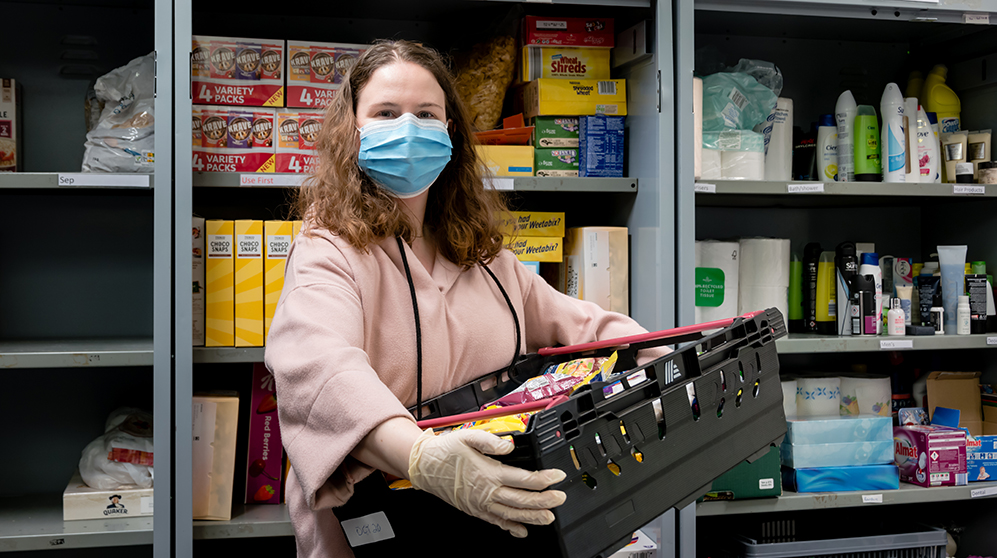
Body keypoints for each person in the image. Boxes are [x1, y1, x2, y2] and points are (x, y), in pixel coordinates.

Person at [265, 39, 669, 557]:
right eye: (386, 113)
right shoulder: (328, 250)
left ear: (450, 131)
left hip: (495, 524)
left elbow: (584, 327)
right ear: (353, 128)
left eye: (426, 114)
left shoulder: (479, 253)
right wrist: (423, 459)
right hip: (380, 531)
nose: (407, 128)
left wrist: (671, 362)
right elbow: (323, 371)